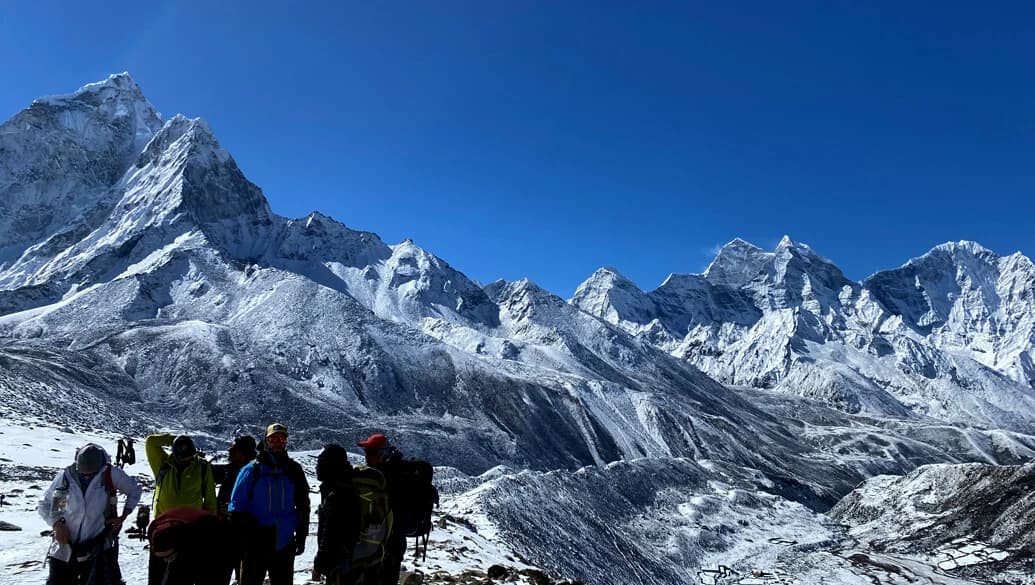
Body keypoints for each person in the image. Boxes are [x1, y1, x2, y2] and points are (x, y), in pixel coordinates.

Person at [38, 443, 143, 585]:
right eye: (83, 473)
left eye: (90, 474)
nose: (86, 477)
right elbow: (46, 505)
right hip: (64, 548)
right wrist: (56, 524)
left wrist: (123, 516)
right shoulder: (66, 478)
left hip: (98, 547)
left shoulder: (109, 474)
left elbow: (134, 490)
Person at [229, 423, 310, 585]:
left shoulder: (294, 470)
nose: (278, 442)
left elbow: (303, 504)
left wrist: (302, 534)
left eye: (282, 438)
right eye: (273, 438)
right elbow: (237, 508)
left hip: (285, 541)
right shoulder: (251, 470)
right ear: (266, 441)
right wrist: (243, 539)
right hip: (255, 542)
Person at [146, 433, 217, 585]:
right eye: (184, 456)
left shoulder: (202, 467)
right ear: (175, 454)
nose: (188, 459)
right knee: (156, 577)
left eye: (191, 455)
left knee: (184, 577)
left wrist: (209, 528)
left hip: (190, 531)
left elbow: (210, 499)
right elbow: (151, 442)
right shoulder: (162, 464)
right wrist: (176, 439)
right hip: (162, 530)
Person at [357, 433, 406, 585]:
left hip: (385, 547)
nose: (366, 456)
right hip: (390, 545)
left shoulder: (385, 478)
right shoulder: (393, 473)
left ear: (382, 454)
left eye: (370, 452)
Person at [313, 444, 362, 585]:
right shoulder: (347, 484)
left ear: (330, 466)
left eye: (320, 463)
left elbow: (330, 531)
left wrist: (319, 562)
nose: (317, 468)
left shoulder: (336, 492)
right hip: (351, 557)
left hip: (338, 560)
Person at [148, 507, 234, 585]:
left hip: (219, 541)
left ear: (177, 547)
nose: (165, 560)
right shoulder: (154, 530)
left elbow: (189, 572)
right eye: (162, 558)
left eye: (168, 557)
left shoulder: (195, 538)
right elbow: (155, 570)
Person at [214, 434, 256, 585]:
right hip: (225, 532)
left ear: (242, 452)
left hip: (244, 535)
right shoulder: (228, 470)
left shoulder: (254, 473)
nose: (229, 450)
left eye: (234, 448)